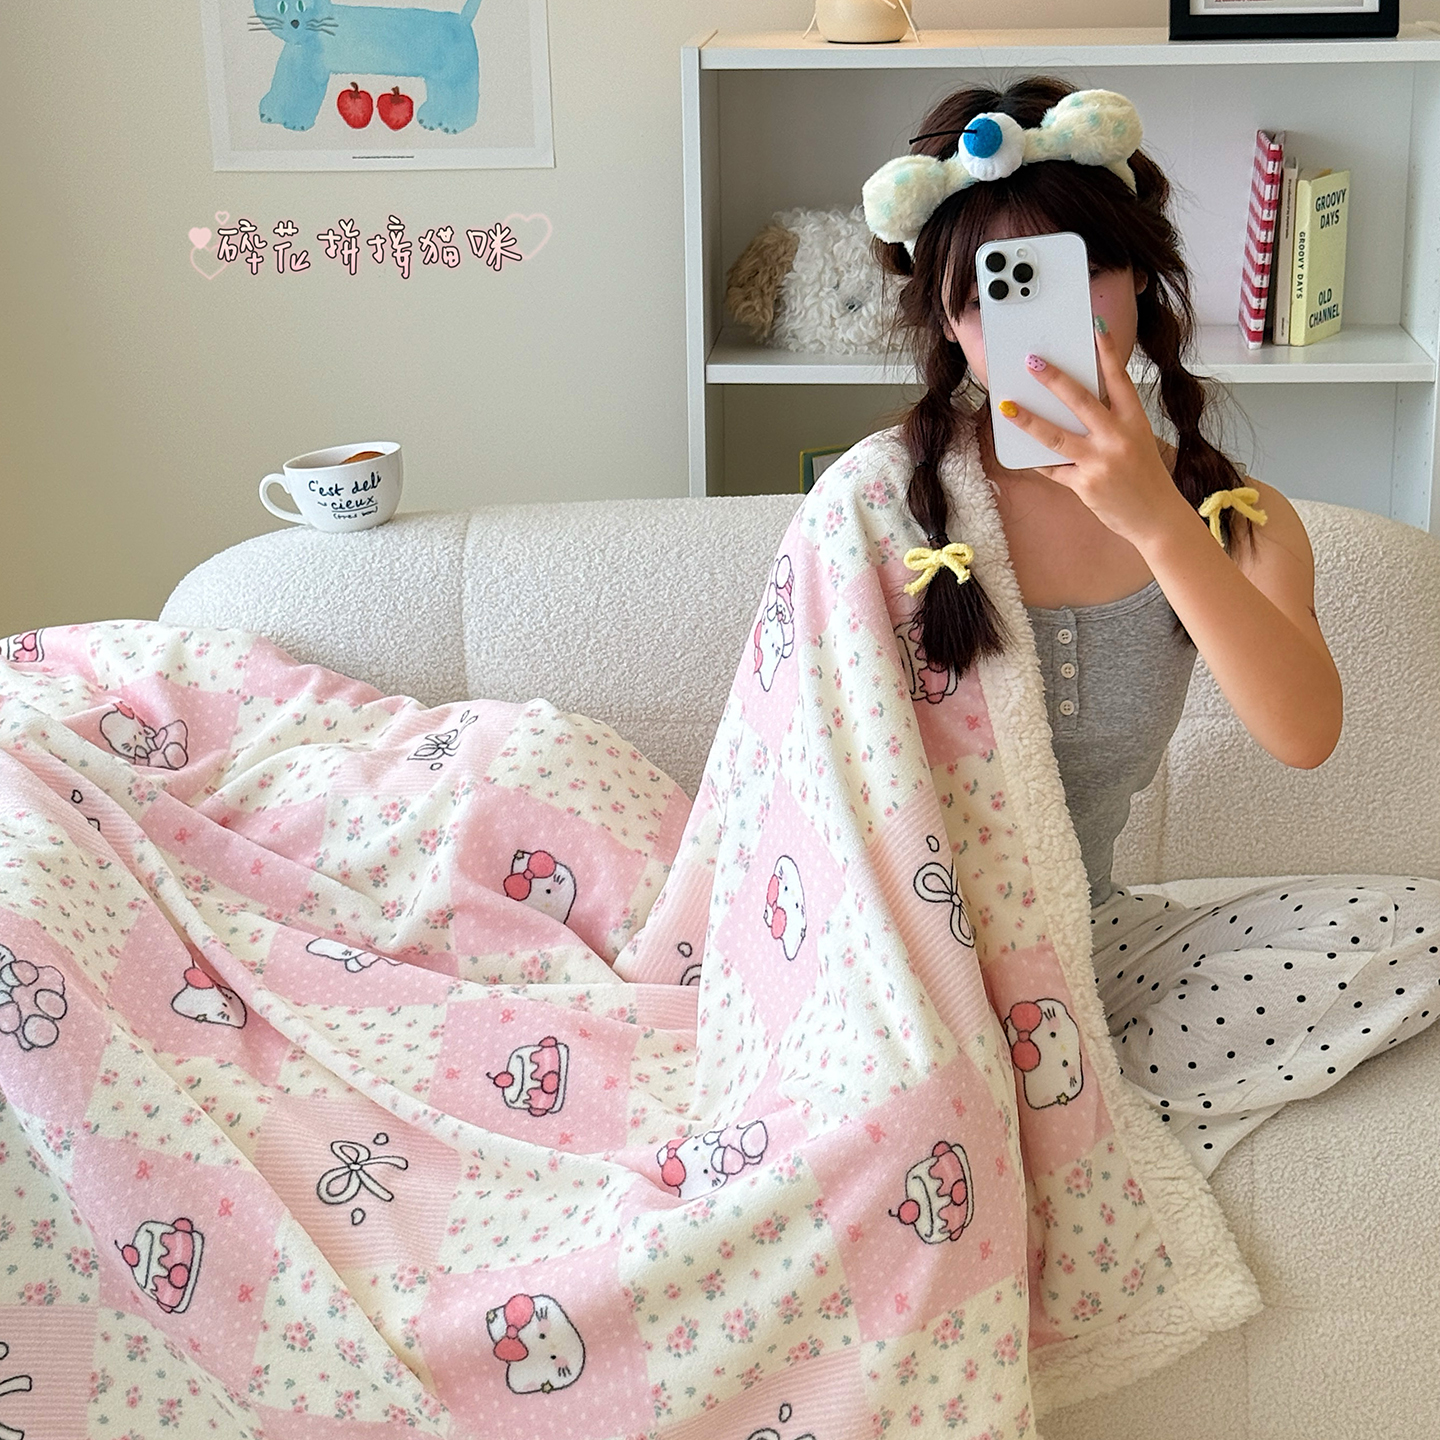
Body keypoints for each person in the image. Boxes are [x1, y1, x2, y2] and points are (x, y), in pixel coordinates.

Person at [862, 76, 1440, 1176]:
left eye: (1080, 268)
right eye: (993, 291)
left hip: (1082, 947)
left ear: (1137, 275)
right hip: (899, 964)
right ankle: (1032, 1104)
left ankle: (1056, 1103)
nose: (1043, 315)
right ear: (948, 322)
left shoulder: (1233, 516)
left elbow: (1304, 732)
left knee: (1415, 930)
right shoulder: (885, 508)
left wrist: (1156, 521)